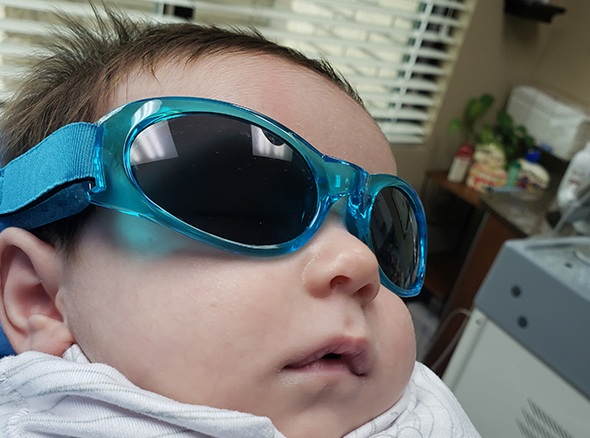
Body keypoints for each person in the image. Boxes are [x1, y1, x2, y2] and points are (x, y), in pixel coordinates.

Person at [0, 7, 479, 438]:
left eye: (380, 234)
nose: (359, 263)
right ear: (41, 298)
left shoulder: (421, 411)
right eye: (246, 211)